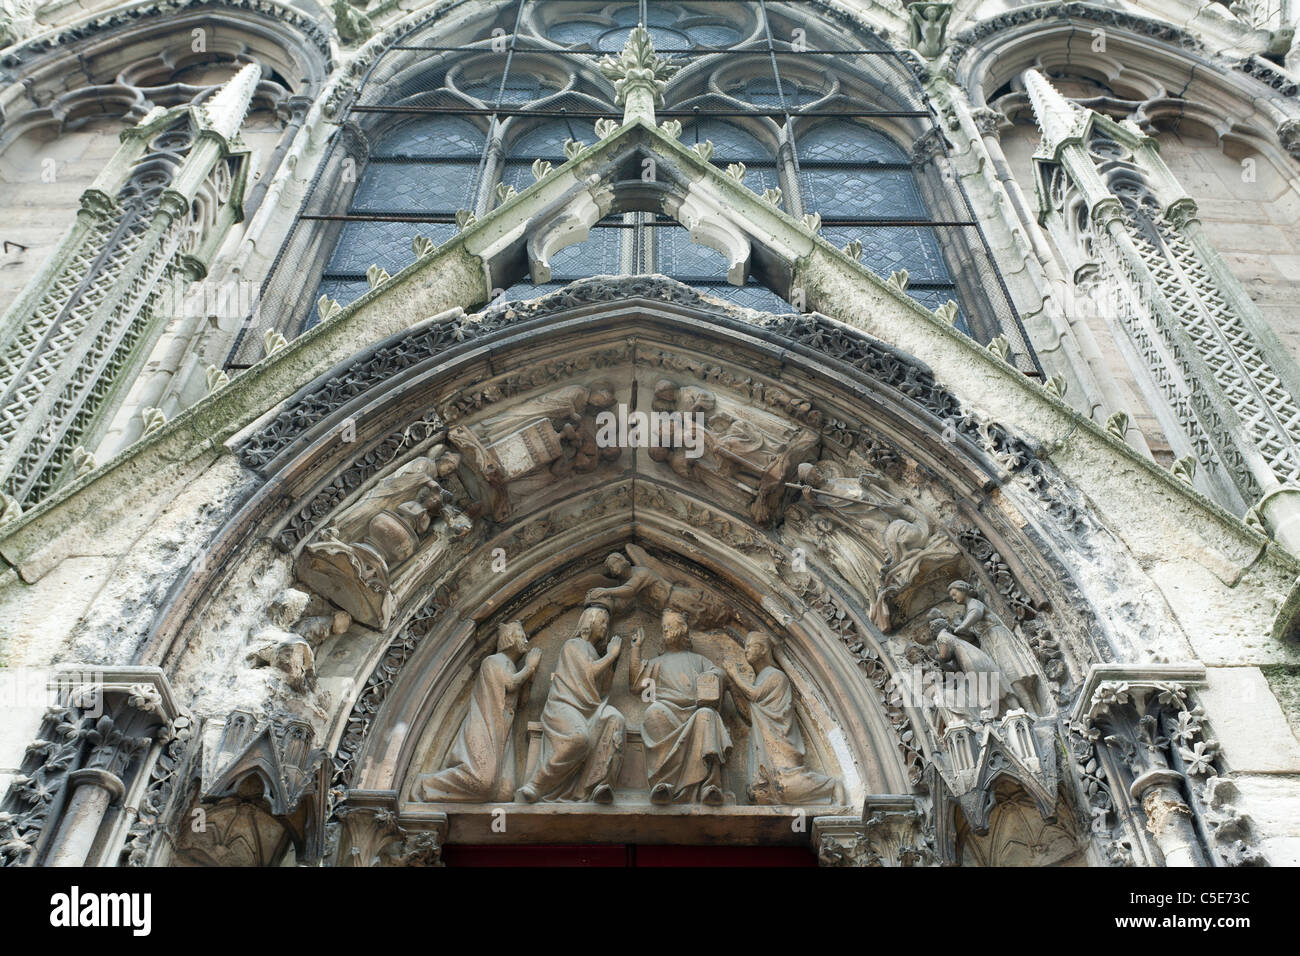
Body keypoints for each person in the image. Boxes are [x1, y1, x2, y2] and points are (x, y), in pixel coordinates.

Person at [413, 621, 540, 802]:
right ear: (510, 638)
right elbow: (510, 684)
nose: (525, 640)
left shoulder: (511, 666)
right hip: (485, 727)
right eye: (521, 635)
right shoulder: (493, 661)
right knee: (482, 781)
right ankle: (426, 786)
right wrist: (529, 667)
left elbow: (521, 702)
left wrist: (530, 678)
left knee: (505, 792)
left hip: (502, 732)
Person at [516, 606, 625, 803]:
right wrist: (612, 655)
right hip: (564, 706)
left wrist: (612, 663)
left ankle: (594, 786)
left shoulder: (595, 652)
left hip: (590, 709)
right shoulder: (573, 645)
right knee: (578, 738)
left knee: (615, 717)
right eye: (602, 621)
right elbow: (588, 673)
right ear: (589, 623)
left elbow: (601, 691)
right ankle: (537, 784)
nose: (605, 626)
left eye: (606, 623)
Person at [724, 632, 839, 805]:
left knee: (784, 787)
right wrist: (732, 686)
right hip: (764, 747)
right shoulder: (759, 680)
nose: (745, 650)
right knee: (759, 794)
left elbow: (754, 695)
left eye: (750, 646)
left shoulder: (775, 676)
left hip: (779, 746)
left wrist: (734, 674)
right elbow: (750, 716)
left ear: (763, 649)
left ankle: (833, 787)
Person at [631, 609, 731, 805]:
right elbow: (637, 684)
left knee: (706, 715)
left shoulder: (698, 660)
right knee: (653, 712)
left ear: (683, 629)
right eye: (664, 627)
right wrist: (636, 649)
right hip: (667, 711)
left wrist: (717, 675)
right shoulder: (657, 663)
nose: (666, 629)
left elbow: (718, 673)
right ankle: (664, 783)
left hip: (694, 712)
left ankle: (710, 785)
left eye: (671, 625)